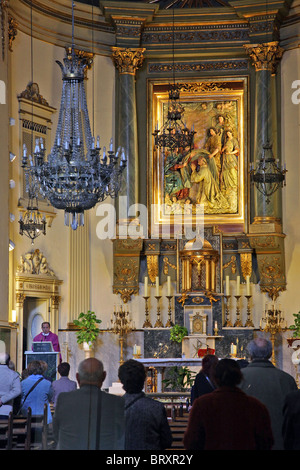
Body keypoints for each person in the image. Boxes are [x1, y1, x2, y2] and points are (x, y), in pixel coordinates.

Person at [183, 358, 274, 450]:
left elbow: (191, 442)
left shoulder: (202, 404)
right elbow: (266, 442)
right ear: (240, 377)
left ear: (215, 378)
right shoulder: (256, 406)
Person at [53, 358, 125, 450]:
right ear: (104, 376)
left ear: (77, 377)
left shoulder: (63, 399)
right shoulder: (116, 402)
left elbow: (56, 432)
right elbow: (120, 436)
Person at [239, 337, 298, 450]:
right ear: (270, 354)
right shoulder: (286, 379)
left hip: (246, 442)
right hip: (278, 443)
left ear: (250, 354)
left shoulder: (238, 377)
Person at [118, 359, 172, 450]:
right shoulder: (156, 408)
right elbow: (167, 441)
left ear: (122, 381)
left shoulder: (112, 408)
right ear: (144, 380)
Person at [0, 353, 21, 419]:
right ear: (9, 361)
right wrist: (2, 400)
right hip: (5, 409)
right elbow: (17, 390)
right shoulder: (13, 374)